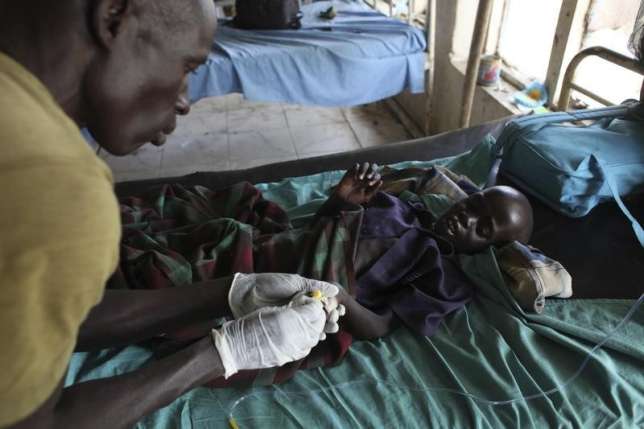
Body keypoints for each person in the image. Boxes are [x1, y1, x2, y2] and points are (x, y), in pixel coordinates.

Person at [0, 1, 341, 428]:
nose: (184, 101)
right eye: (187, 66)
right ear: (113, 17)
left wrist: (229, 293)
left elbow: (46, 319)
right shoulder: (52, 186)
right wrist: (221, 354)